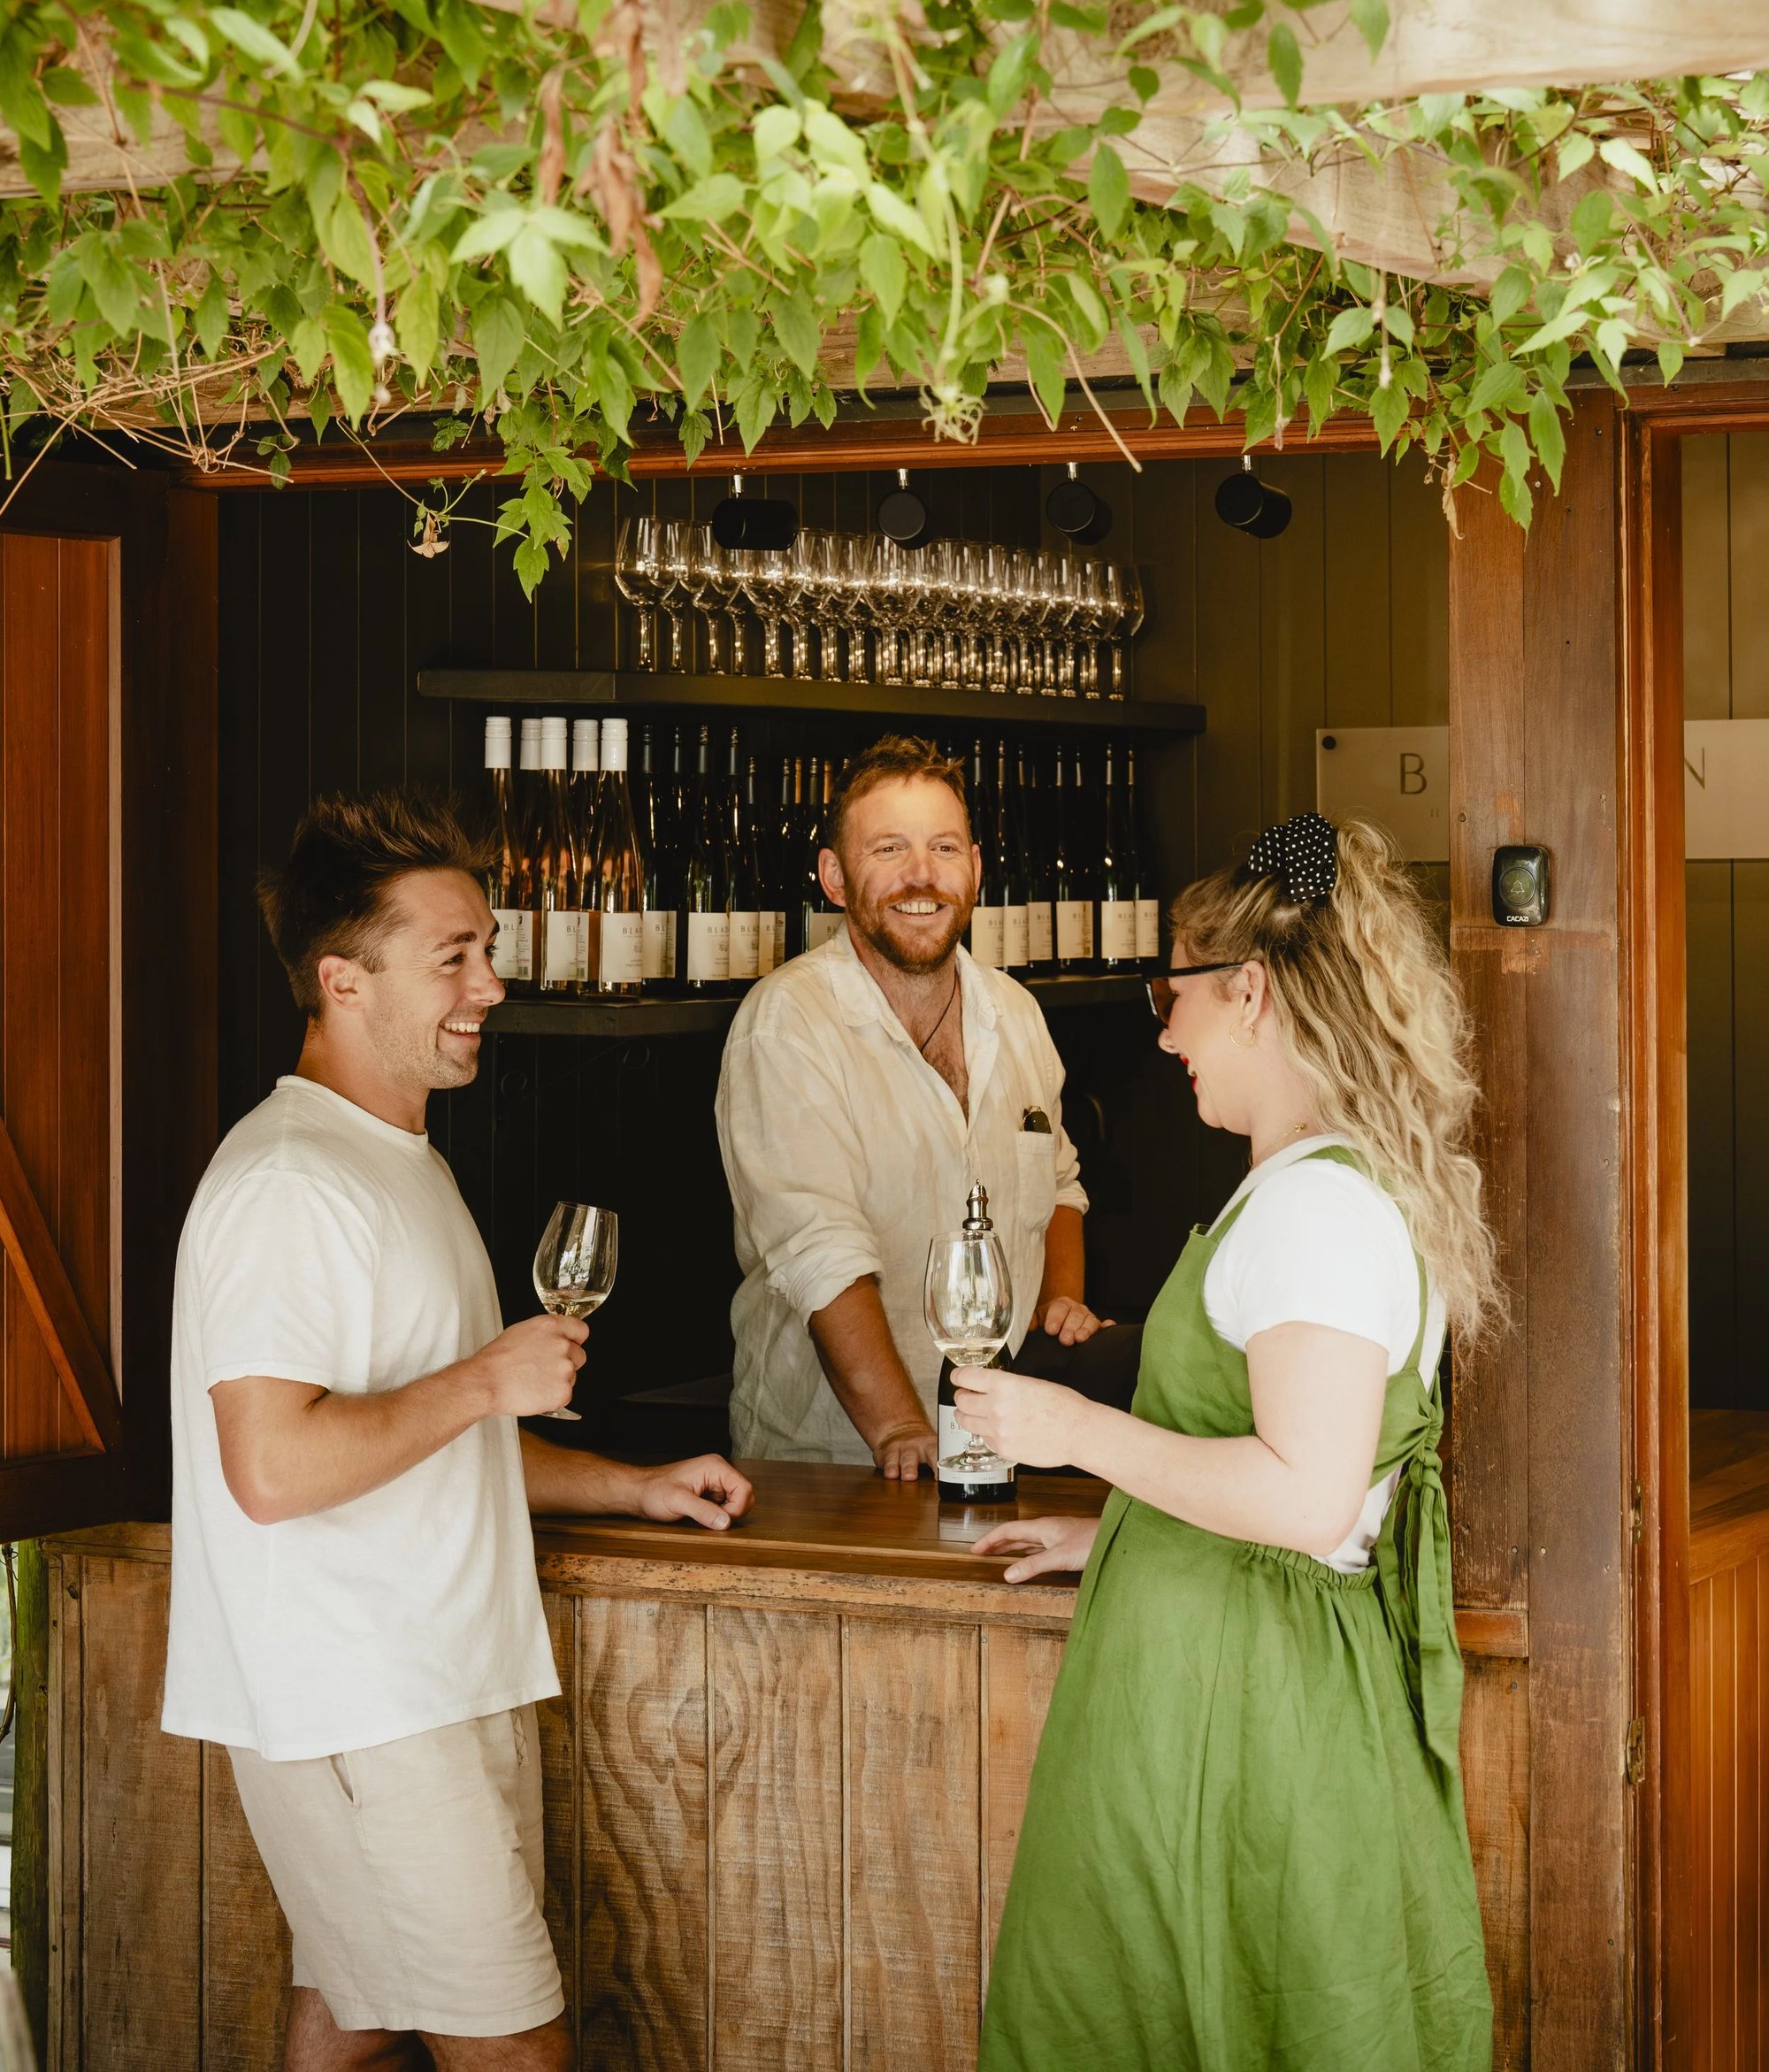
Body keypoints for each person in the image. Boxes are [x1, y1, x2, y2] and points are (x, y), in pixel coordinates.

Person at [163, 791, 753, 2072]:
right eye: (454, 957)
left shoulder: (397, 1161)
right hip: (372, 1704)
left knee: (359, 2016)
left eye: (486, 949)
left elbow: (419, 1443)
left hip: (416, 1686)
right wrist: (487, 1380)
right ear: (343, 980)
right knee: (514, 2047)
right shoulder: (288, 1182)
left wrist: (632, 1487)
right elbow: (272, 1467)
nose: (490, 984)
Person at [960, 811, 1497, 2072]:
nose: (1165, 1034)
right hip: (1230, 1682)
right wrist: (1117, 1530)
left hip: (1246, 1708)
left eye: (1175, 995)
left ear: (1249, 992)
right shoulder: (1315, 1187)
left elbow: (1308, 1498)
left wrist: (1073, 1428)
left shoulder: (1317, 1210)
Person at [716, 735, 1111, 1473]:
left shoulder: (1016, 1012)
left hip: (1009, 1448)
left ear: (977, 868)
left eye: (944, 848)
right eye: (889, 849)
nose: (922, 875)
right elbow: (820, 1252)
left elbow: (1060, 1185)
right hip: (838, 1465)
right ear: (835, 877)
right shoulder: (788, 1023)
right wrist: (900, 1427)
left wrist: (1060, 1313)